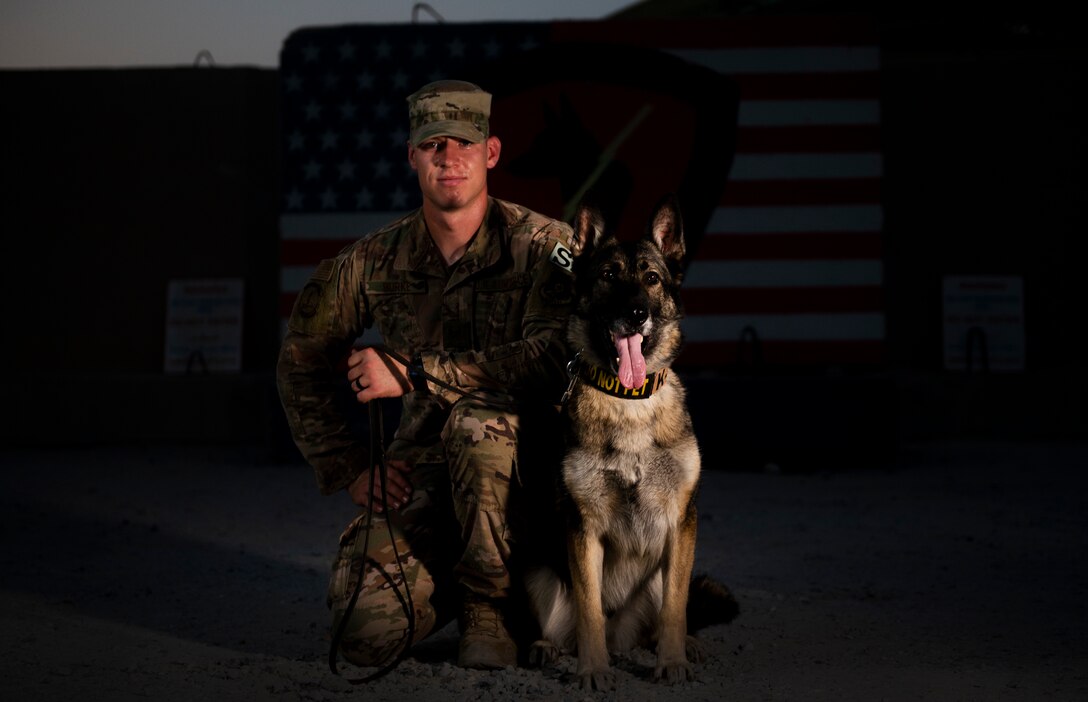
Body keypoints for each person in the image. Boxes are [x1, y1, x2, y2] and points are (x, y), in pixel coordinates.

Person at [276, 80, 576, 671]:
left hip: (534, 485)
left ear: (490, 152)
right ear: (411, 155)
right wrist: (348, 465)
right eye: (433, 144)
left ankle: (490, 611)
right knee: (363, 632)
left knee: (477, 425)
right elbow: (300, 361)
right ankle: (493, 597)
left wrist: (414, 373)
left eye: (463, 142)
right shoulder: (371, 261)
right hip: (430, 484)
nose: (449, 157)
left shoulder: (543, 248)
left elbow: (552, 359)